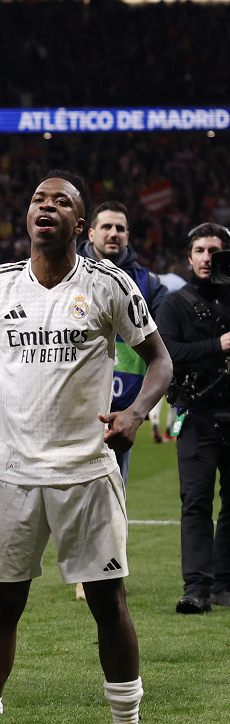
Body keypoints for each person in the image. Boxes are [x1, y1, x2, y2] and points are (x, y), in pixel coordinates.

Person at [0, 171, 172, 724]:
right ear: (27, 218)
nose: (47, 207)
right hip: (14, 475)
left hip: (86, 474)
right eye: (38, 200)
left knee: (107, 601)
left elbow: (159, 361)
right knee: (2, 605)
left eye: (62, 202)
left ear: (80, 224)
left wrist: (136, 412)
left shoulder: (109, 284)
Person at [154, 223, 230, 614]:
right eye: (199, 250)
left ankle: (225, 585)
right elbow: (166, 353)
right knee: (196, 502)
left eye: (214, 251)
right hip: (196, 414)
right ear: (189, 257)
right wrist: (218, 344)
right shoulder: (175, 304)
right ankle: (197, 588)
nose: (205, 258)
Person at [77, 201, 168, 483]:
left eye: (120, 228)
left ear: (128, 236)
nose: (113, 233)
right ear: (91, 234)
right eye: (106, 227)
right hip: (71, 405)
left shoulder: (149, 284)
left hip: (120, 412)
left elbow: (164, 347)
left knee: (112, 504)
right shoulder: (68, 275)